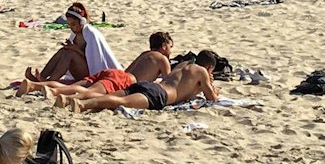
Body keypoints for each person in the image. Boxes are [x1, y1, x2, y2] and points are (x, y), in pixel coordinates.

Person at [55, 50, 221, 113]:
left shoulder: (185, 64)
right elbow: (211, 98)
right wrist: (213, 89)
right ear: (209, 67)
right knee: (119, 101)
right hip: (160, 95)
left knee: (115, 95)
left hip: (151, 85)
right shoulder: (202, 72)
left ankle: (70, 99)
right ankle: (82, 105)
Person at [21, 31, 172, 97]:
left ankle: (35, 85)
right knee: (82, 91)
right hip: (125, 81)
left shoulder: (144, 54)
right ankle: (45, 89)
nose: (170, 51)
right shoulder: (162, 59)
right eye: (170, 47)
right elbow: (169, 83)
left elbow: (127, 70)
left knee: (77, 85)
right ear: (165, 46)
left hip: (114, 73)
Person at [22, 3, 118, 86]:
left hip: (91, 72)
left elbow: (94, 59)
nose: (72, 28)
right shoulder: (75, 34)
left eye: (73, 24)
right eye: (69, 25)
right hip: (80, 68)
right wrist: (70, 47)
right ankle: (41, 77)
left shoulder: (90, 33)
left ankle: (50, 82)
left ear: (82, 22)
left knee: (70, 54)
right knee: (64, 51)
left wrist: (74, 49)